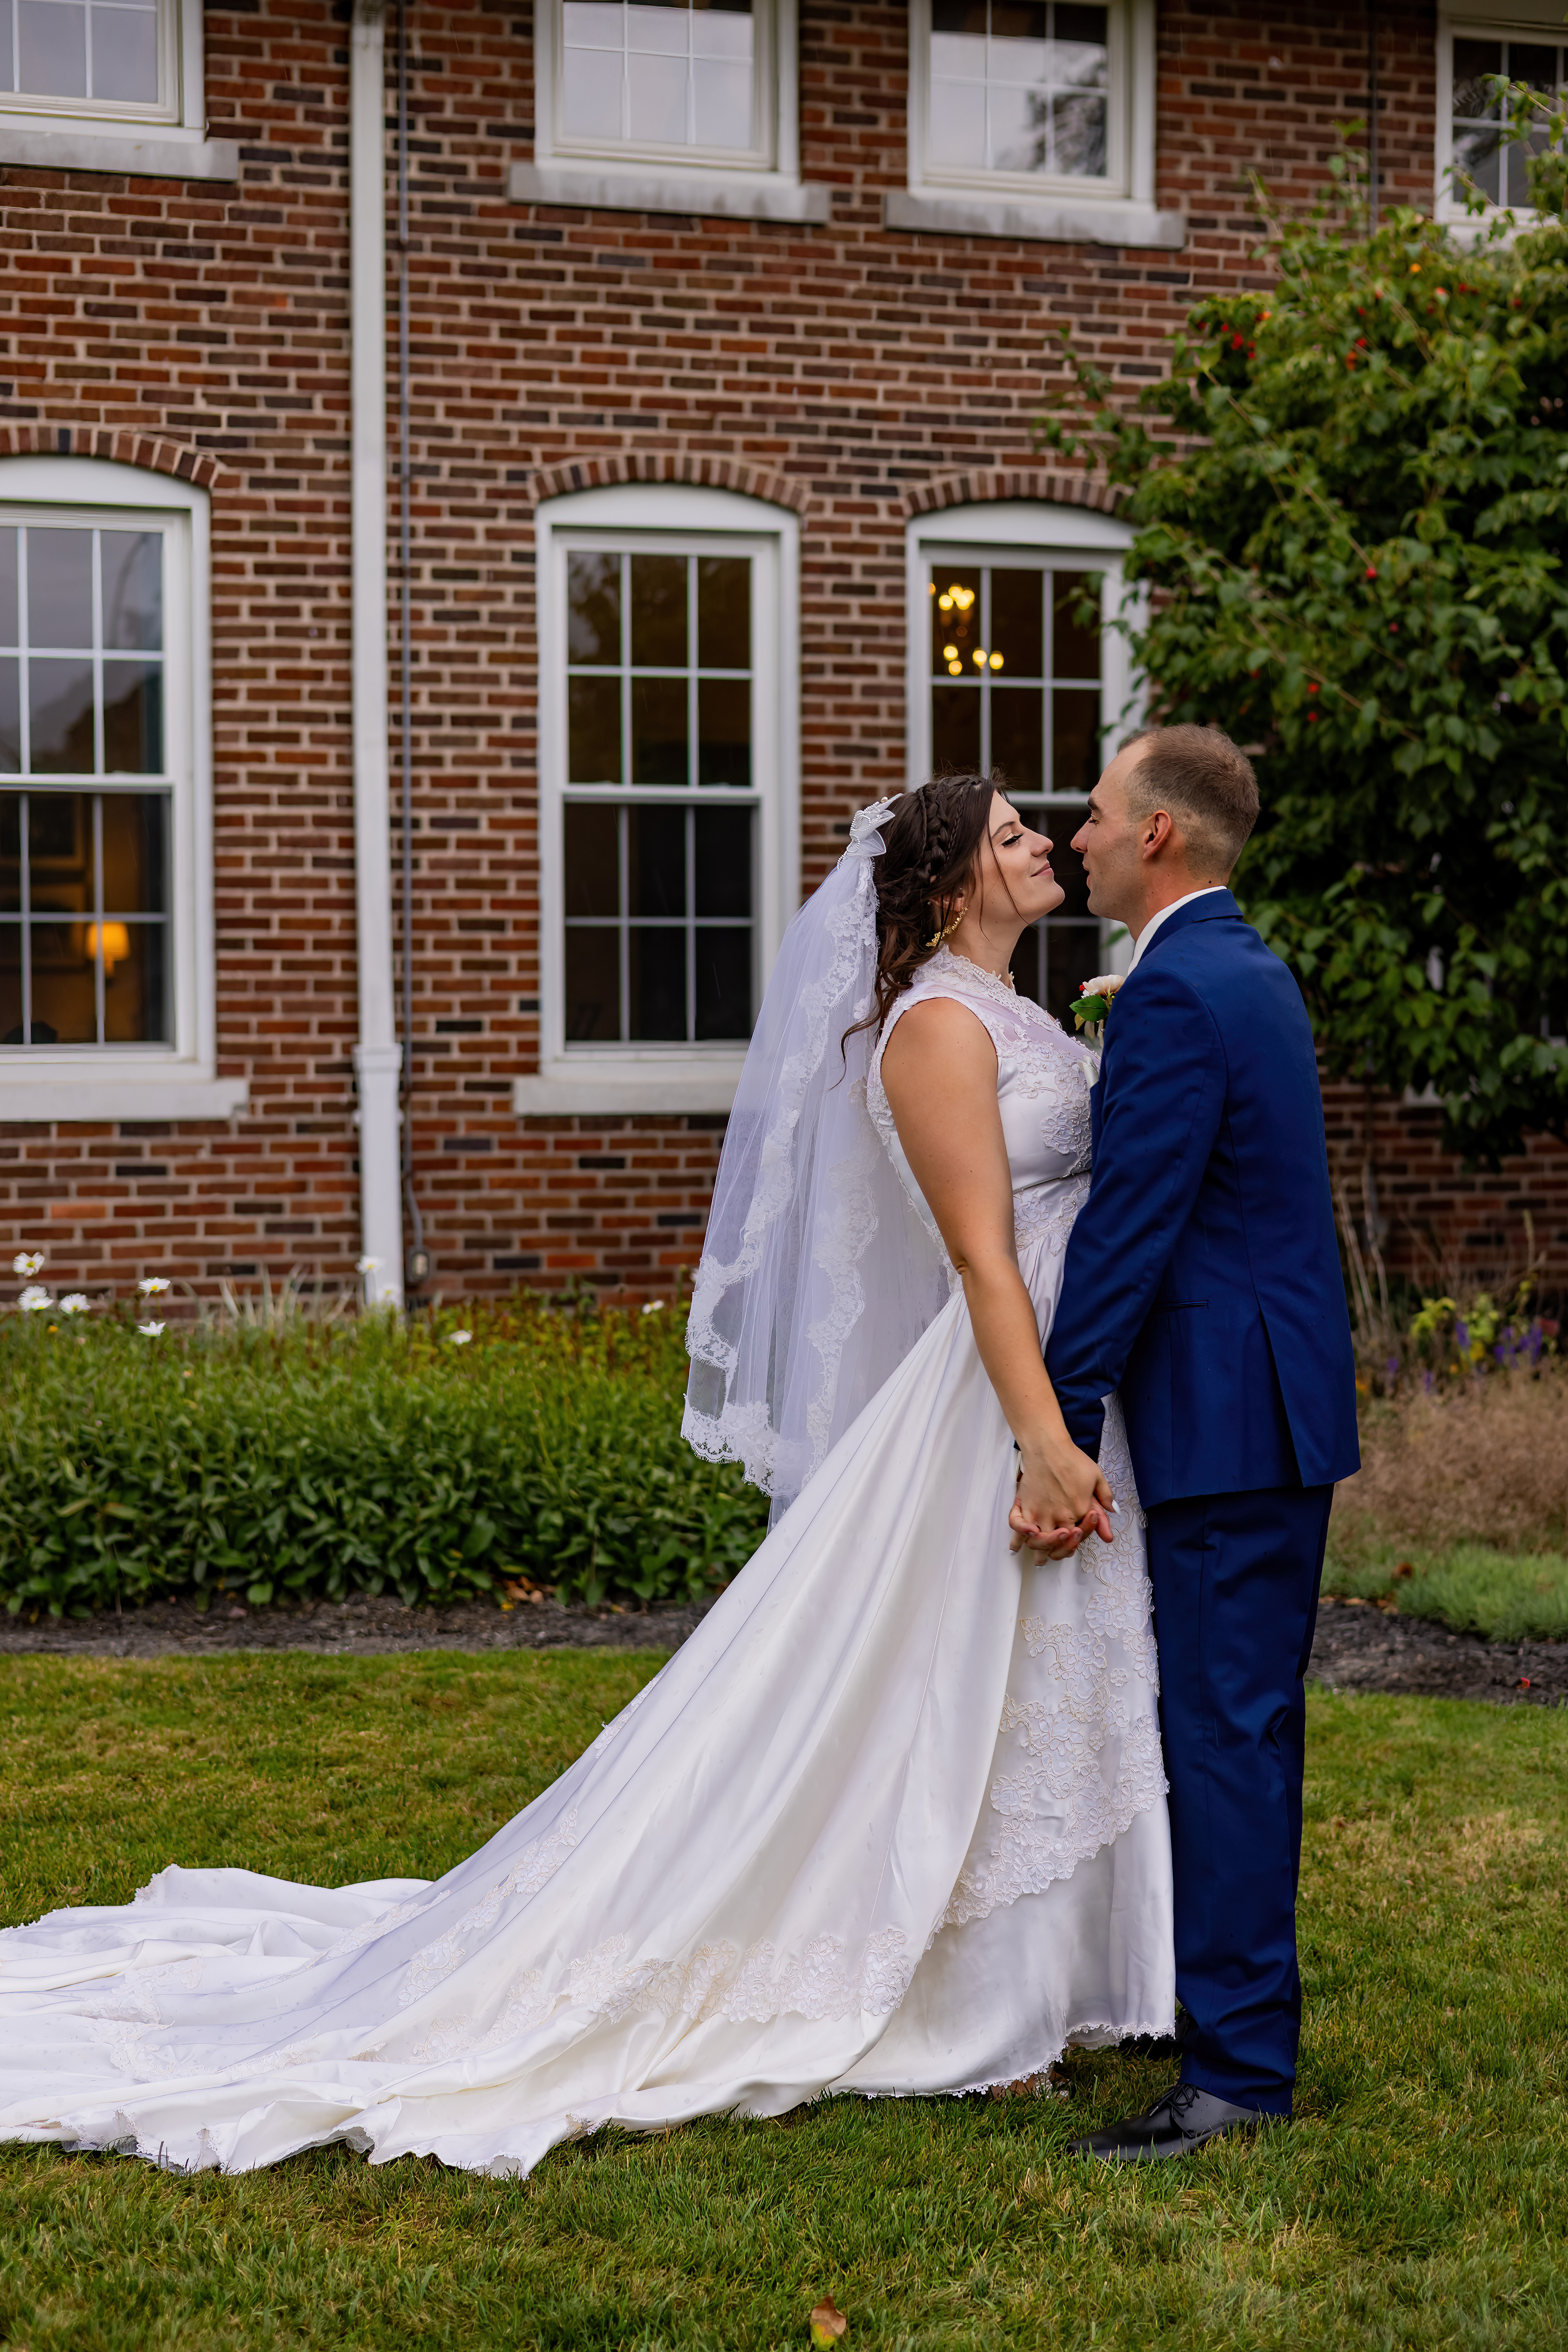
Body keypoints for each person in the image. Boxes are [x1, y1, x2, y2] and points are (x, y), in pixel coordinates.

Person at [0, 773, 1174, 2181]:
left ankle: (1073, 1973)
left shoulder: (1016, 1012)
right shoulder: (928, 1027)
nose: (1038, 841)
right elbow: (982, 1254)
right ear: (943, 887)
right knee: (967, 1683)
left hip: (1062, 1371)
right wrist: (1038, 1434)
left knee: (1044, 1673)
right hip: (998, 1390)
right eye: (1004, 837)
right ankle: (979, 1998)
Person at [1035, 724, 1360, 2162]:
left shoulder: (1177, 994)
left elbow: (1127, 1234)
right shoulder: (1236, 967)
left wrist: (1054, 1422)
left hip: (1228, 1420)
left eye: (1097, 814)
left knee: (1223, 1740)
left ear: (1156, 834)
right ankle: (1234, 2024)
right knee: (1243, 1733)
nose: (1076, 836)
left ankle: (1232, 2075)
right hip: (1268, 1407)